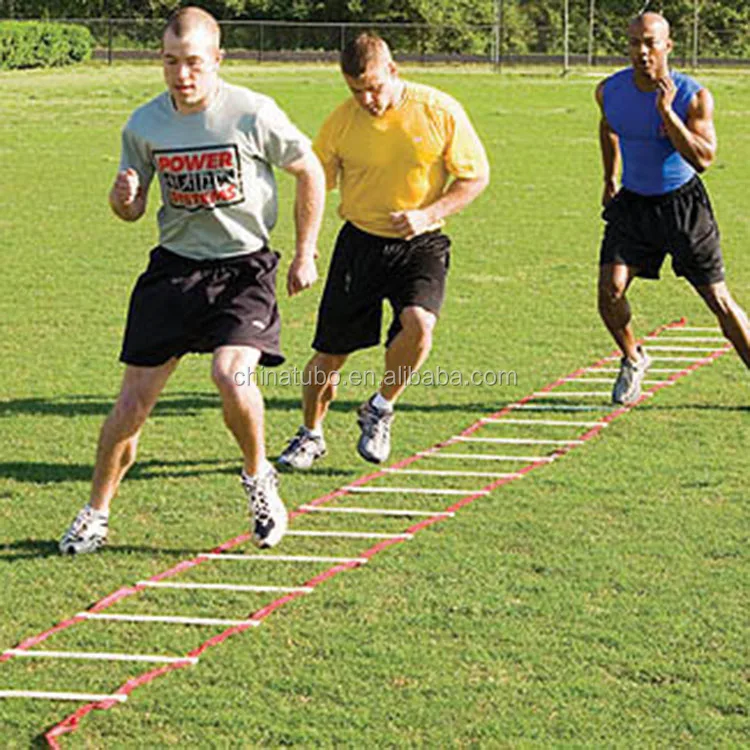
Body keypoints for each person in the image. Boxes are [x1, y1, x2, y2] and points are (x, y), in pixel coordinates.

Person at [59, 7, 325, 554]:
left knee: (231, 375)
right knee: (131, 404)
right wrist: (122, 200)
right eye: (171, 62)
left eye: (194, 64)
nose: (182, 75)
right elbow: (132, 213)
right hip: (175, 270)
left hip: (243, 268)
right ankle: (95, 512)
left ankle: (259, 480)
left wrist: (305, 252)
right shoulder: (144, 125)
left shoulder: (252, 112)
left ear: (217, 60)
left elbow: (310, 169)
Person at [277, 32, 489, 470]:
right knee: (331, 354)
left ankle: (380, 406)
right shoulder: (340, 123)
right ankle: (310, 434)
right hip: (360, 243)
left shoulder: (439, 110)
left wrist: (428, 214)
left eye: (374, 87)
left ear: (393, 71)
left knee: (419, 325)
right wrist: (305, 250)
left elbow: (474, 177)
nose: (367, 99)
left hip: (421, 242)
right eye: (356, 90)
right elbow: (313, 185)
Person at [597, 12, 750, 405]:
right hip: (632, 205)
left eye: (650, 42)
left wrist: (667, 114)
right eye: (634, 43)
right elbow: (609, 125)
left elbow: (704, 158)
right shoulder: (609, 90)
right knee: (609, 292)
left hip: (682, 205)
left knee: (718, 300)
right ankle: (633, 358)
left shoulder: (692, 96)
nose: (642, 51)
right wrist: (609, 178)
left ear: (668, 46)